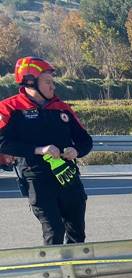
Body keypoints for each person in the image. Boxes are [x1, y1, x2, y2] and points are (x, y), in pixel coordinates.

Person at [0, 57, 93, 246]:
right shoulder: (10, 108)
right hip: (37, 179)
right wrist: (39, 150)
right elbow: (2, 143)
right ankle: (56, 273)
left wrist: (76, 151)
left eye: (53, 82)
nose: (53, 87)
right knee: (54, 232)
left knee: (77, 234)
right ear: (30, 81)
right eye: (47, 82)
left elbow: (86, 141)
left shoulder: (61, 108)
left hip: (68, 177)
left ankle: (78, 272)